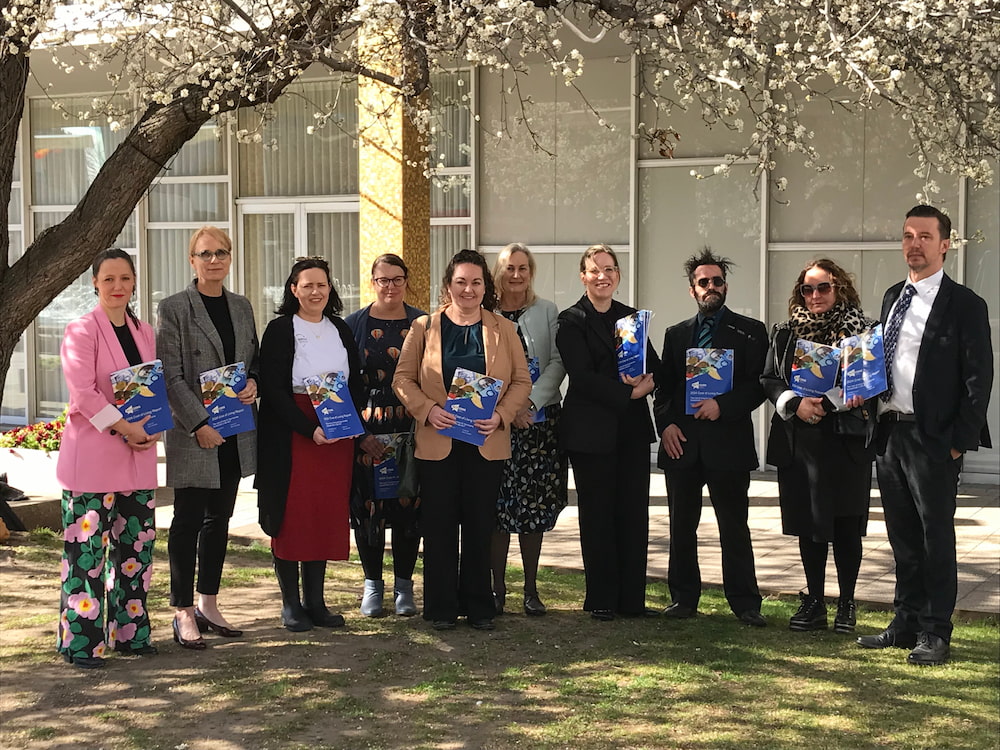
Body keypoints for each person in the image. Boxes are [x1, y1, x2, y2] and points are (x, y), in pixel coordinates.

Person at [858, 205, 993, 666]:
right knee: (902, 539)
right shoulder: (894, 295)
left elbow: (979, 381)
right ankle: (905, 622)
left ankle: (936, 631)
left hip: (933, 440)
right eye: (907, 235)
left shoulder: (966, 305)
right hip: (890, 433)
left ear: (944, 244)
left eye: (924, 236)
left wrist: (958, 441)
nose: (914, 244)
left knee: (936, 539)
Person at [393, 249, 532, 631]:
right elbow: (402, 379)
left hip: (485, 443)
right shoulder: (424, 327)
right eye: (460, 282)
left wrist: (502, 415)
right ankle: (440, 607)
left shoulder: (504, 330)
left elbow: (522, 381)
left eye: (475, 282)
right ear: (448, 285)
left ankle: (479, 607)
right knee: (438, 526)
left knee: (479, 524)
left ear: (486, 286)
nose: (468, 289)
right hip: (438, 441)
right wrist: (426, 410)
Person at [56, 248, 161, 668]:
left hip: (138, 457)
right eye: (108, 279)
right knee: (87, 558)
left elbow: (150, 387)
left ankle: (131, 634)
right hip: (94, 460)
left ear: (134, 282)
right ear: (95, 283)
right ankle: (82, 643)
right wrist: (125, 427)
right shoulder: (81, 331)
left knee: (136, 552)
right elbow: (83, 393)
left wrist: (149, 427)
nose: (117, 287)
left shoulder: (145, 331)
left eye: (125, 279)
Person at [761, 259, 878, 633]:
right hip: (800, 440)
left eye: (823, 288)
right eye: (807, 289)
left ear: (839, 287)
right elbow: (769, 378)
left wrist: (828, 402)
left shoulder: (863, 331)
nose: (815, 296)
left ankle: (846, 603)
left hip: (844, 440)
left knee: (846, 525)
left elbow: (870, 381)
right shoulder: (785, 333)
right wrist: (795, 404)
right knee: (808, 526)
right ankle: (814, 600)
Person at [157, 226, 260, 649]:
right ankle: (182, 611)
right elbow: (171, 374)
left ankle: (208, 602)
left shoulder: (241, 305)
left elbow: (252, 356)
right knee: (187, 522)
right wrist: (199, 424)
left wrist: (254, 381)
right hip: (195, 431)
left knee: (219, 521)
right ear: (192, 260)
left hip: (233, 429)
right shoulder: (174, 307)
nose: (214, 260)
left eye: (221, 252)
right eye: (205, 253)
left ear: (230, 257)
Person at [653, 247, 768, 627]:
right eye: (703, 282)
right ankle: (683, 598)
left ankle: (745, 602)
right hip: (681, 443)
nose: (711, 287)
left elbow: (758, 386)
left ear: (726, 287)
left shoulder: (751, 332)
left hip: (728, 444)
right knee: (681, 525)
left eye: (717, 281)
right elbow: (663, 389)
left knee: (734, 526)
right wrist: (666, 425)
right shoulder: (676, 335)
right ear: (693, 290)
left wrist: (724, 405)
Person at [255, 257, 364, 632]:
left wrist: (353, 422)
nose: (315, 292)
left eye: (322, 285)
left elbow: (357, 381)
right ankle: (291, 604)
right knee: (292, 517)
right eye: (308, 285)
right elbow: (274, 391)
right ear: (293, 290)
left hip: (336, 434)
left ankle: (316, 602)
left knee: (322, 516)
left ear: (330, 289)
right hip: (294, 435)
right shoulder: (281, 329)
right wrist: (308, 428)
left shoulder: (340, 329)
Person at [556, 244, 658, 621]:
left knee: (634, 515)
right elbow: (581, 377)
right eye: (595, 270)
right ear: (583, 276)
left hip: (631, 431)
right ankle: (600, 599)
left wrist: (648, 381)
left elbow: (655, 365)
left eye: (610, 269)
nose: (603, 276)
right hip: (590, 433)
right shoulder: (571, 320)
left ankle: (632, 601)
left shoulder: (631, 319)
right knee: (597, 517)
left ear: (618, 275)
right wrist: (629, 392)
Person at [345, 254, 426, 617]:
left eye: (397, 279)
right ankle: (373, 586)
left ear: (406, 281)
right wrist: (359, 434)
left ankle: (404, 587)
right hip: (367, 433)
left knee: (409, 507)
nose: (390, 286)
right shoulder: (353, 326)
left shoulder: (423, 323)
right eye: (383, 280)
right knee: (370, 510)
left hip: (413, 428)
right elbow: (342, 386)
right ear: (372, 282)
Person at [490, 243, 568, 617]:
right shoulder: (484, 312)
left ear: (531, 272)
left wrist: (530, 402)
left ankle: (532, 590)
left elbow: (557, 361)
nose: (516, 275)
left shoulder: (547, 311)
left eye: (523, 268)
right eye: (509, 268)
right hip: (494, 422)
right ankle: (497, 590)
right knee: (498, 508)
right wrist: (507, 408)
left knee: (532, 507)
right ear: (498, 273)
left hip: (539, 424)